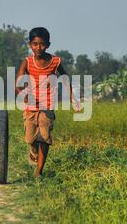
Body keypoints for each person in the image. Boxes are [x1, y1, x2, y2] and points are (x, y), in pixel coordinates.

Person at [15, 27, 81, 179]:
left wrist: (73, 98)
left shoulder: (55, 62)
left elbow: (65, 78)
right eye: (35, 44)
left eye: (42, 44)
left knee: (45, 138)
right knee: (30, 139)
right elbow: (18, 83)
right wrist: (23, 94)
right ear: (30, 44)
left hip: (47, 105)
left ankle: (39, 172)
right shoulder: (27, 62)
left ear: (48, 45)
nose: (39, 48)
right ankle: (33, 151)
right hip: (31, 106)